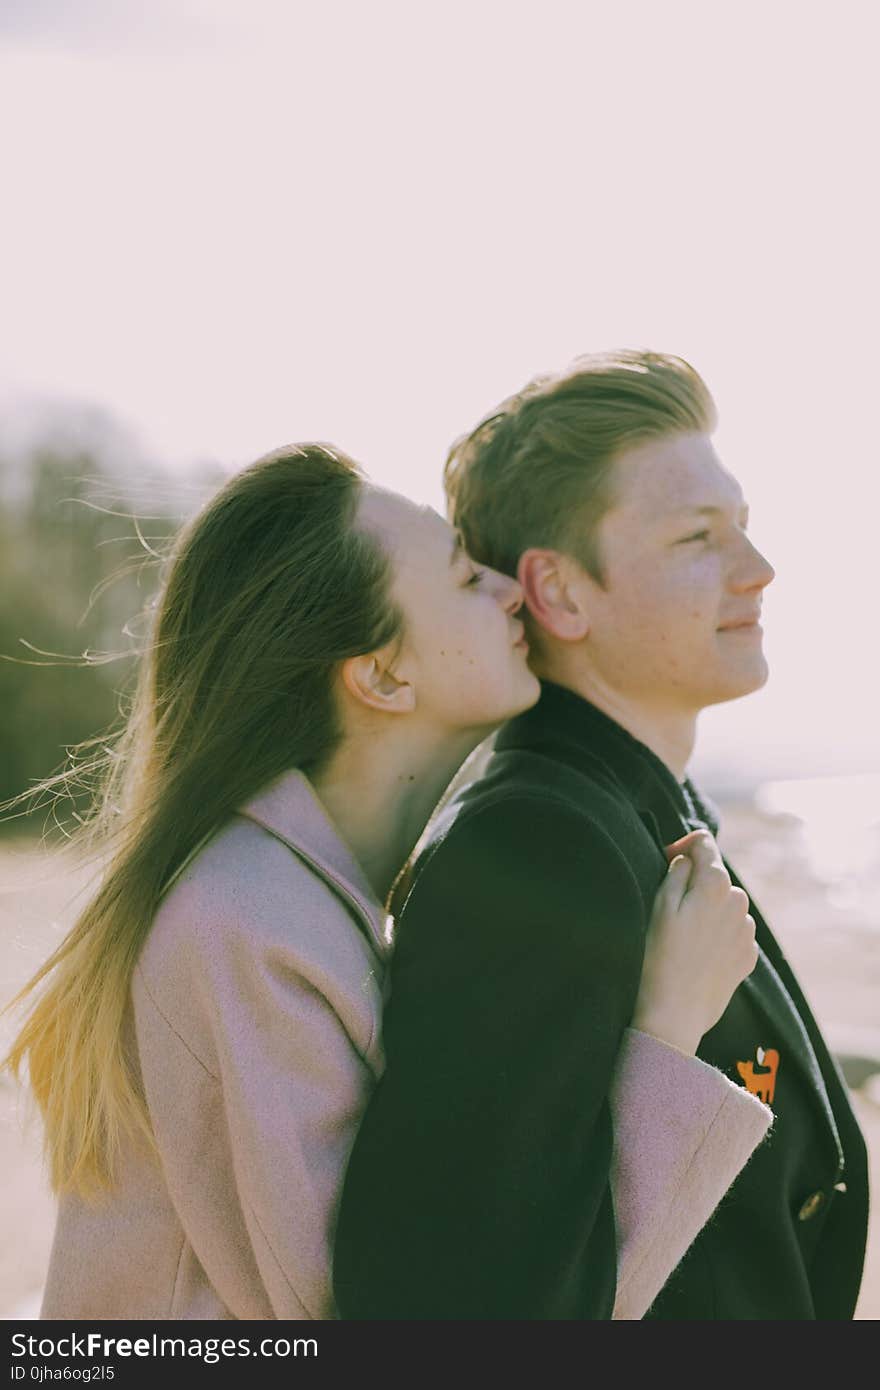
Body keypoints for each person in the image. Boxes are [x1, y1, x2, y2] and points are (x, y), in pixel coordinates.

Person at [4, 441, 767, 1321]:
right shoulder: (246, 927)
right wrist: (668, 1027)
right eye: (460, 578)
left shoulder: (292, 896)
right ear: (382, 674)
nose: (511, 588)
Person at [333, 352, 869, 1321]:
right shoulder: (540, 845)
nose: (756, 569)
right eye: (697, 538)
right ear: (562, 594)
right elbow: (455, 1309)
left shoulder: (636, 802)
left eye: (741, 525)